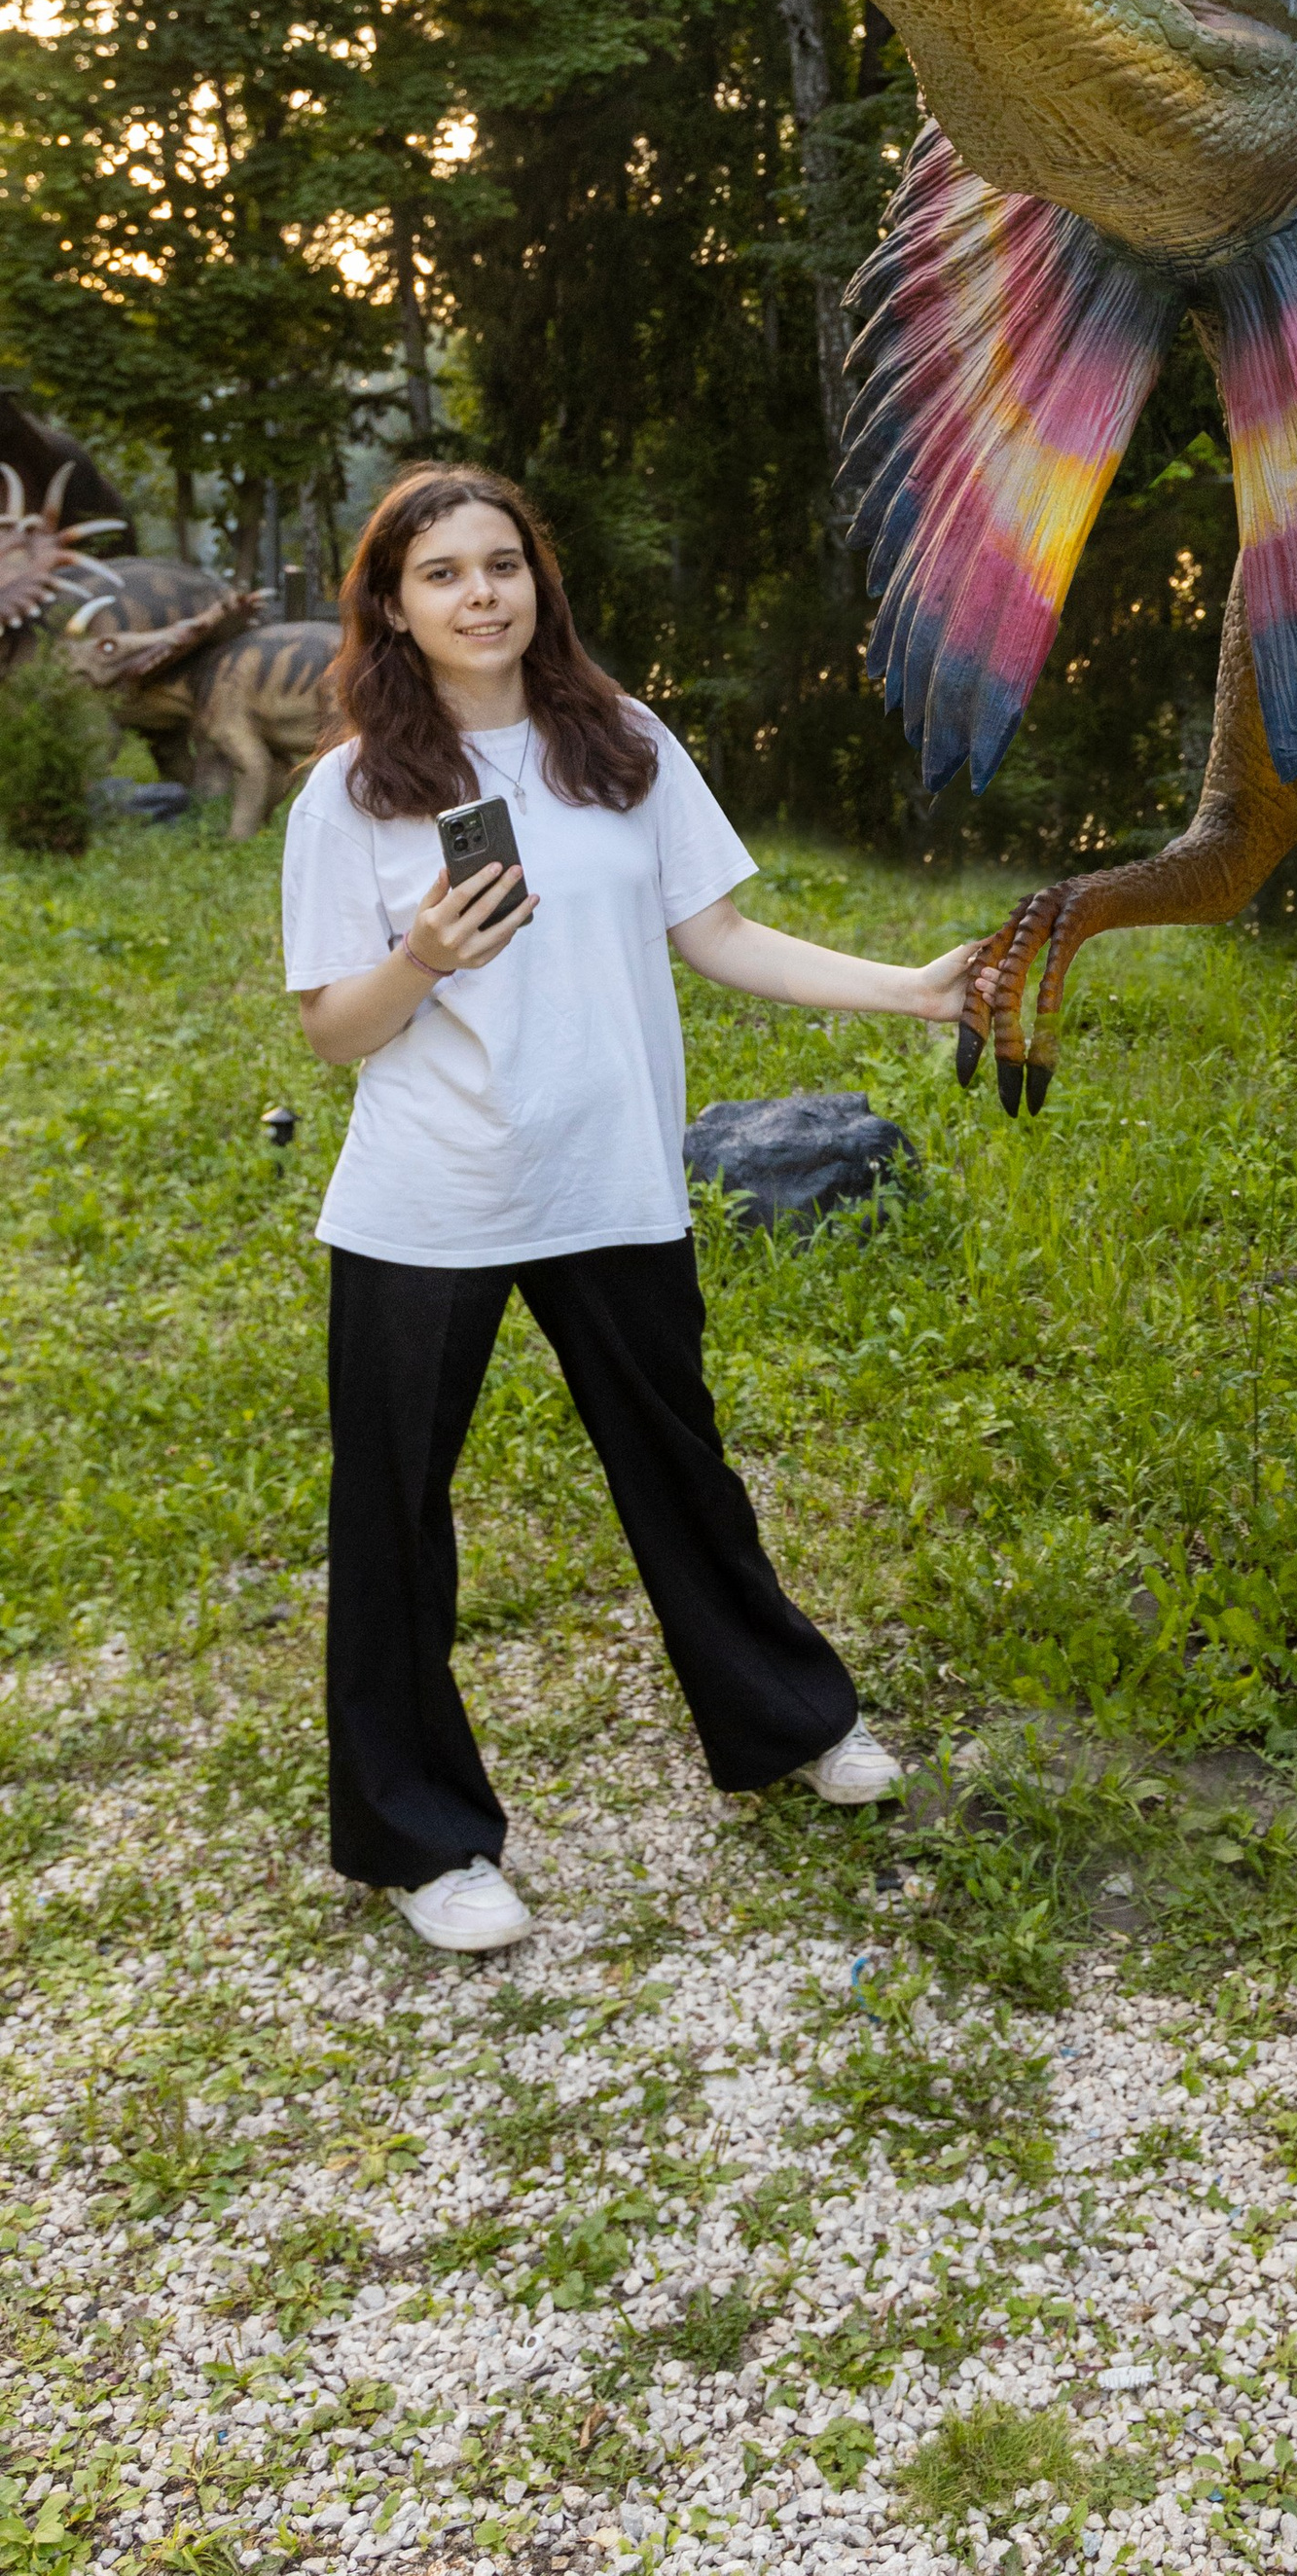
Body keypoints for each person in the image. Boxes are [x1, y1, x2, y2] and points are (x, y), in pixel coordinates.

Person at [280, 465, 979, 1957]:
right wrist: (417, 960)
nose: (483, 595)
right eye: (443, 574)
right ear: (392, 609)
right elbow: (334, 1030)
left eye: (503, 564)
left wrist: (908, 987)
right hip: (430, 1202)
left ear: (542, 579)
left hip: (612, 1184)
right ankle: (426, 1841)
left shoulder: (623, 745)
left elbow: (721, 935)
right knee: (395, 1517)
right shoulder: (350, 791)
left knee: (681, 1472)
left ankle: (791, 1721)